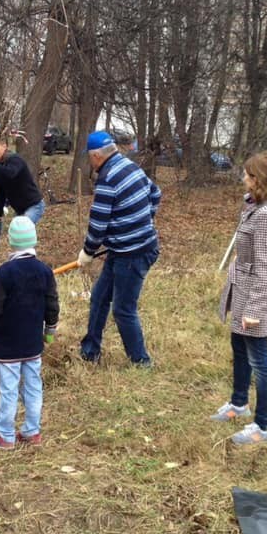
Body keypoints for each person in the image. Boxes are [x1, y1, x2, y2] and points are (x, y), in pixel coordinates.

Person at [212, 151, 267, 445]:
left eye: (248, 174)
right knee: (239, 348)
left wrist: (255, 310)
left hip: (256, 297)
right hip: (243, 290)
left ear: (259, 179)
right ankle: (238, 404)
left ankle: (262, 426)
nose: (243, 179)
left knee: (259, 360)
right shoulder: (257, 207)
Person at [76, 131, 162, 368]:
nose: (90, 162)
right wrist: (142, 219)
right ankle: (90, 350)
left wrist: (88, 251)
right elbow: (155, 194)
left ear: (96, 156)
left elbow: (98, 225)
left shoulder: (107, 179)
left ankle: (141, 362)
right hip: (122, 251)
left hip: (134, 254)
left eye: (89, 158)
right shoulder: (130, 166)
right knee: (99, 298)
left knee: (123, 309)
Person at [0, 217, 60, 449]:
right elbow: (52, 304)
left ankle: (5, 435)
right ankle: (32, 431)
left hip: (7, 345)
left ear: (11, 242)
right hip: (33, 343)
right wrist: (50, 330)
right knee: (33, 385)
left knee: (9, 389)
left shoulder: (5, 273)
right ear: (33, 240)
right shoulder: (45, 271)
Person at [0, 138, 45, 224]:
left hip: (34, 205)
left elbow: (10, 174)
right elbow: (0, 190)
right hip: (20, 209)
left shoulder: (15, 159)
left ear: (4, 146)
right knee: (18, 234)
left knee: (22, 230)